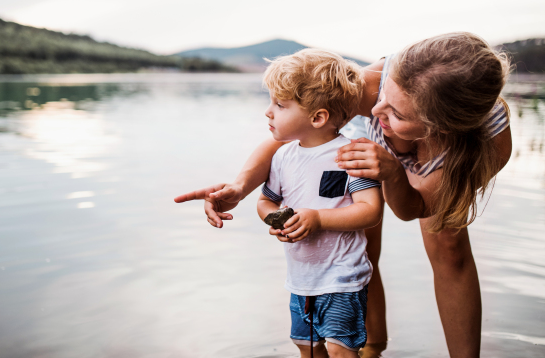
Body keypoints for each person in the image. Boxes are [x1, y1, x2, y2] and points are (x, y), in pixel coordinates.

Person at [174, 32, 513, 358]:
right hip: (381, 140)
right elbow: (295, 132)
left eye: (396, 115)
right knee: (360, 242)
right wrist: (241, 187)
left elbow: (415, 208)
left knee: (448, 245)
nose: (375, 116)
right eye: (382, 100)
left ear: (437, 128)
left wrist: (393, 172)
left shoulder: (484, 145)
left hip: (444, 164)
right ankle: (372, 347)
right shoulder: (385, 83)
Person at [257, 49, 382, 358]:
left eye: (280, 105)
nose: (268, 112)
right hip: (301, 280)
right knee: (308, 349)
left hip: (342, 278)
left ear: (318, 117)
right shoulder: (282, 156)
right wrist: (276, 219)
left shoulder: (351, 154)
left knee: (342, 351)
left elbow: (370, 210)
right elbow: (265, 202)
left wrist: (319, 218)